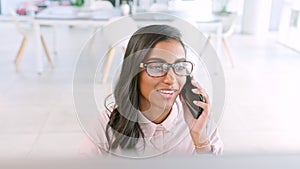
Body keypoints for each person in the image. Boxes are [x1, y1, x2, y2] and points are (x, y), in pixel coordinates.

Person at [79, 24, 223, 158]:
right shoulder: (105, 125)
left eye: (179, 66)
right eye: (157, 67)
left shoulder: (200, 121)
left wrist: (200, 139)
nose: (171, 80)